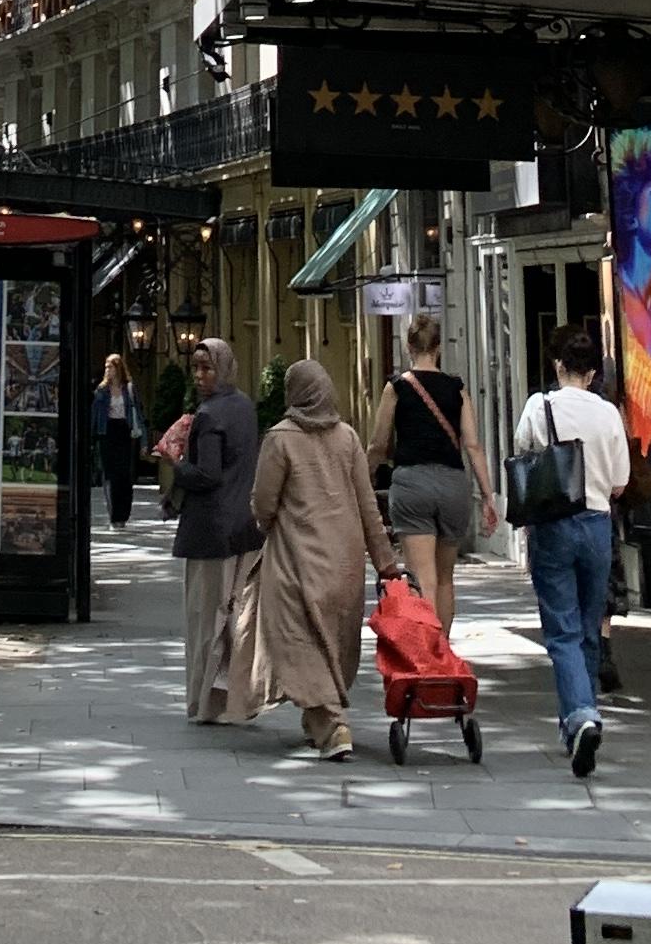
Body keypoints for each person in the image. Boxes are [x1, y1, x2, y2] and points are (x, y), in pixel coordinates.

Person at [248, 356, 406, 760]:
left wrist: (265, 523)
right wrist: (386, 563)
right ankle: (317, 722)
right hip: (345, 563)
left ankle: (333, 726)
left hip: (297, 560)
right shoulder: (347, 437)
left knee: (298, 639)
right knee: (333, 642)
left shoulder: (280, 439)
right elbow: (368, 506)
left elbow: (264, 503)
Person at [516, 322, 630, 778]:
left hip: (554, 525)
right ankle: (578, 720)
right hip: (598, 525)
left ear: (557, 364)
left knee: (561, 630)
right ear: (593, 371)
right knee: (588, 628)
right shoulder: (608, 414)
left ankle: (582, 715)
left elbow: (523, 456)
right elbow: (620, 481)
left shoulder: (539, 406)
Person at [364, 312, 501, 634]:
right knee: (445, 579)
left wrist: (366, 480)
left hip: (412, 484)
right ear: (438, 348)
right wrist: (488, 496)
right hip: (453, 484)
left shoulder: (396, 388)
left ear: (408, 347)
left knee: (421, 577)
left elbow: (378, 444)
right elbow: (473, 445)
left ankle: (427, 653)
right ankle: (443, 649)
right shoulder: (457, 389)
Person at [174, 335, 264, 726]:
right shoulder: (245, 406)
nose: (199, 376)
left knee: (206, 619)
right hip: (244, 526)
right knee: (237, 619)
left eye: (206, 368)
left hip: (210, 529)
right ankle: (237, 700)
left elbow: (207, 474)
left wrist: (175, 463)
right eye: (195, 368)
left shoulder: (209, 415)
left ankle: (204, 702)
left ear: (221, 369)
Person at [90, 349, 141, 531]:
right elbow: (95, 415)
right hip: (107, 431)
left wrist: (143, 441)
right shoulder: (101, 390)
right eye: (106, 367)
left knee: (124, 476)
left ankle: (123, 515)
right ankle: (114, 516)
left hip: (125, 432)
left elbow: (138, 413)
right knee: (110, 476)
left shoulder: (129, 389)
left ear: (118, 369)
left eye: (110, 367)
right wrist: (92, 436)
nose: (107, 370)